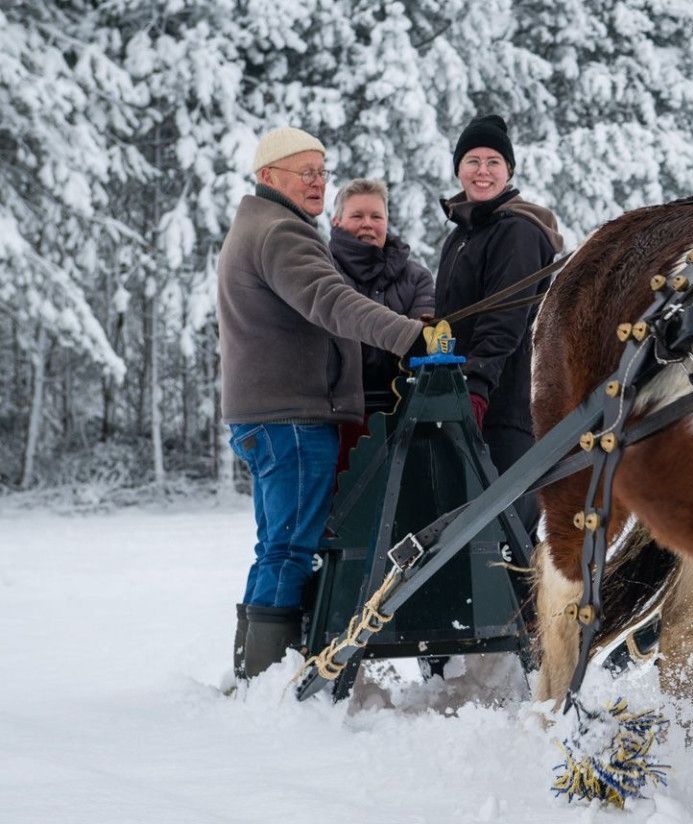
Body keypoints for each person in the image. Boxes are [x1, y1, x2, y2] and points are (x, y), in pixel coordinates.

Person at [218, 127, 443, 681]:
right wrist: (409, 336)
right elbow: (331, 299)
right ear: (269, 178)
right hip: (290, 419)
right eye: (305, 173)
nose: (317, 183)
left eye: (322, 172)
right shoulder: (281, 233)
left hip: (272, 418)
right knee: (291, 549)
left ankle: (256, 673)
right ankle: (267, 679)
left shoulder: (261, 225)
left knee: (278, 546)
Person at [434, 114, 563, 537]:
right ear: (458, 169)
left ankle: (524, 604)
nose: (483, 171)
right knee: (473, 532)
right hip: (471, 398)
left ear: (509, 171)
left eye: (494, 162)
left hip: (508, 403)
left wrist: (476, 384)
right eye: (473, 160)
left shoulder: (518, 231)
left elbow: (505, 316)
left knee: (507, 531)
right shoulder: (461, 236)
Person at [328, 178, 435, 418]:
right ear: (336, 222)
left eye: (376, 217)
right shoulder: (322, 272)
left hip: (402, 411)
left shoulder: (417, 278)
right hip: (334, 414)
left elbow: (424, 343)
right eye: (357, 216)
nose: (367, 224)